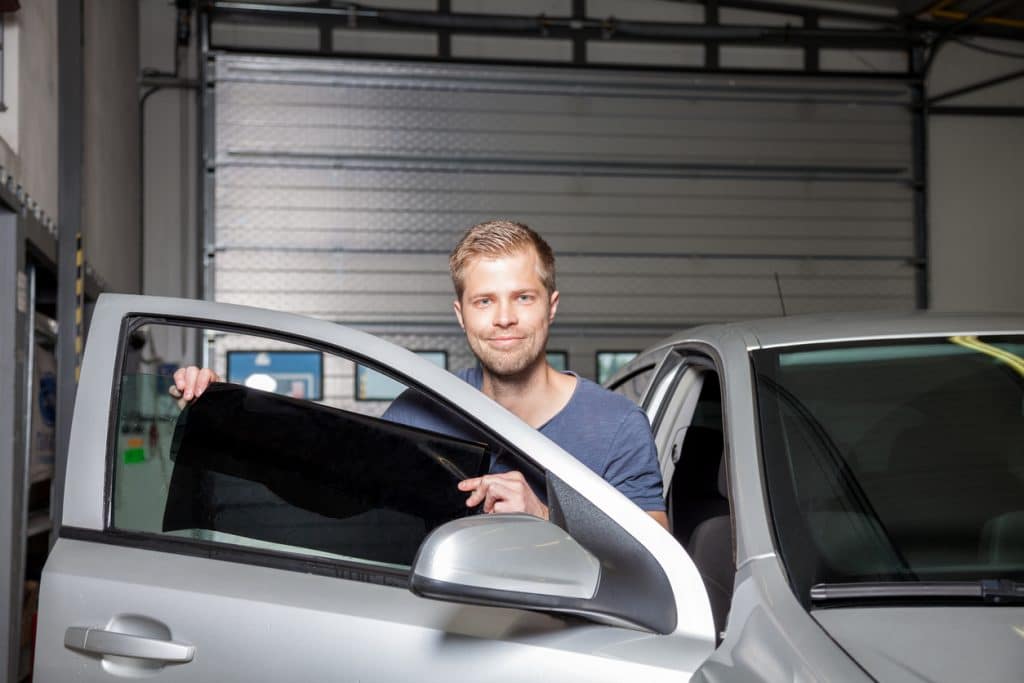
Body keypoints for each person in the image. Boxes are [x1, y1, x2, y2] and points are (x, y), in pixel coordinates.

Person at [172, 220, 668, 529]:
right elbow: (330, 487)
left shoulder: (618, 425)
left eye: (522, 297)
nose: (503, 319)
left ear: (550, 307)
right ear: (461, 315)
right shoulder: (422, 411)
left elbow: (658, 559)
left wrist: (546, 515)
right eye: (484, 301)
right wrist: (224, 407)